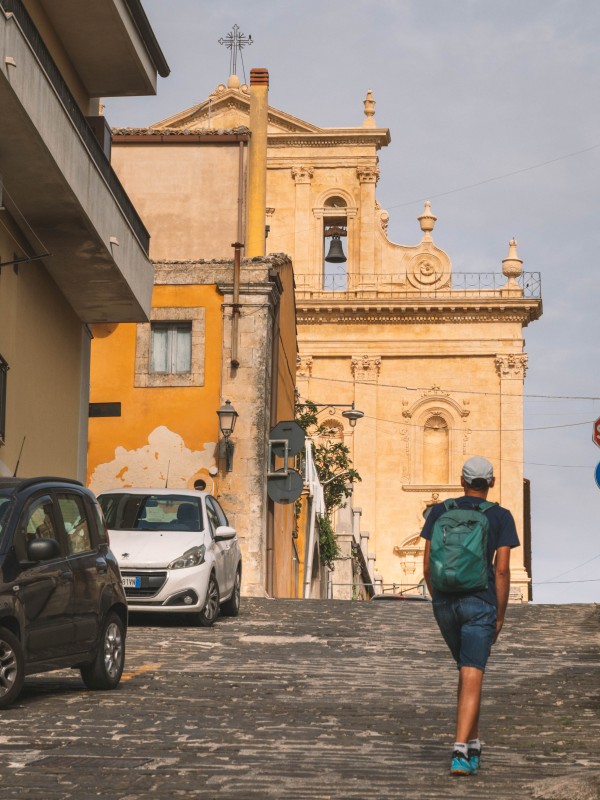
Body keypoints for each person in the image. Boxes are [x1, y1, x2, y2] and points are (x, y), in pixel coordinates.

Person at [420, 456, 520, 776]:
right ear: (490, 483)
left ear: (462, 481)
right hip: (481, 603)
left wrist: (440, 601)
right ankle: (460, 752)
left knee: (466, 670)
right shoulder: (501, 517)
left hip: (444, 603)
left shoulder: (439, 511)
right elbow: (502, 570)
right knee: (472, 671)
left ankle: (473, 742)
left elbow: (426, 565)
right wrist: (500, 614)